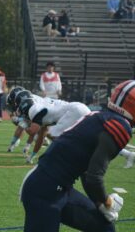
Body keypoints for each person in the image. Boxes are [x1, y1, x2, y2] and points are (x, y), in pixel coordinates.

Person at [20, 80, 135, 232]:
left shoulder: (102, 117)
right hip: (44, 191)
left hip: (59, 189)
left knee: (104, 228)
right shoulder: (119, 126)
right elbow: (94, 177)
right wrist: (108, 202)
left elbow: (87, 172)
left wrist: (100, 203)